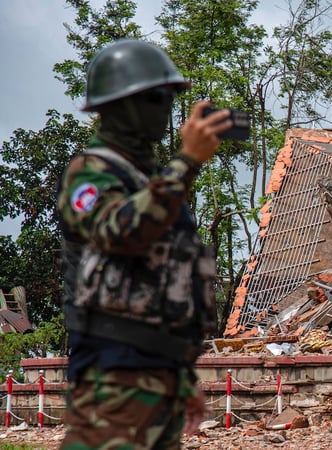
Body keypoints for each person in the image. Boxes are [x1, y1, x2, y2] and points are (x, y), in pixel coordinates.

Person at [57, 38, 232, 449]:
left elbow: (164, 286)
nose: (167, 109)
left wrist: (181, 373)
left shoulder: (151, 182)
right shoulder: (90, 172)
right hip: (112, 378)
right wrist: (186, 163)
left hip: (158, 378)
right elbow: (121, 233)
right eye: (157, 98)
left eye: (170, 98)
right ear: (121, 104)